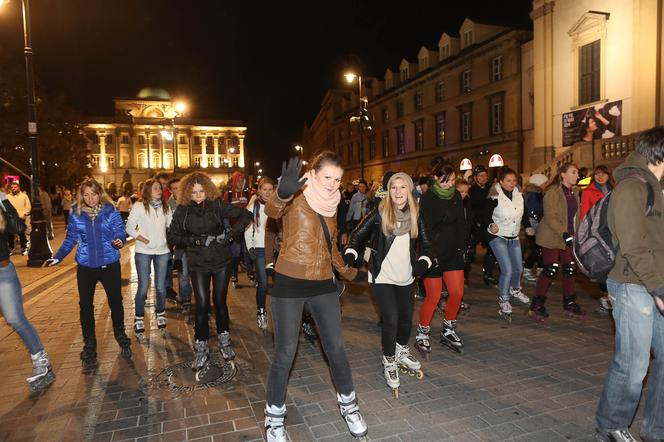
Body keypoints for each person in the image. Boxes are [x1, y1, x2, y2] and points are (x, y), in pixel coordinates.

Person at [263, 153, 367, 442]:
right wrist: (282, 194)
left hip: (323, 283)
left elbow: (330, 245)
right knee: (285, 353)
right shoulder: (296, 194)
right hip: (289, 283)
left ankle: (350, 406)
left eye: (337, 179)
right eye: (327, 178)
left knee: (336, 349)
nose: (333, 185)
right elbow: (272, 212)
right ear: (314, 174)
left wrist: (349, 273)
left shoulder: (332, 205)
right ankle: (274, 419)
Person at [595, 127, 664, 442]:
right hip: (632, 285)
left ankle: (656, 427)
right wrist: (657, 289)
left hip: (656, 282)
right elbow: (634, 246)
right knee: (633, 364)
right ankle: (610, 425)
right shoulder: (631, 189)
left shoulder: (658, 187)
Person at [344, 172, 433, 397]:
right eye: (394, 188)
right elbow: (356, 235)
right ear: (388, 191)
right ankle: (389, 360)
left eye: (402, 188)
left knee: (405, 319)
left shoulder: (416, 214)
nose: (398, 192)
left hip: (406, 276)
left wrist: (424, 261)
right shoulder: (380, 213)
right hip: (382, 275)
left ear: (409, 190)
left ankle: (402, 350)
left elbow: (427, 244)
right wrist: (352, 252)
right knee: (391, 320)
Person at [167, 172, 252, 374]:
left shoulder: (217, 205)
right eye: (194, 191)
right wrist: (195, 241)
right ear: (187, 192)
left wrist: (231, 235)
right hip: (197, 262)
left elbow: (245, 215)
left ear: (208, 189)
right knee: (202, 305)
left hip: (221, 260)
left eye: (201, 191)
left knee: (220, 301)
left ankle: (224, 340)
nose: (198, 195)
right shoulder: (182, 211)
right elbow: (172, 236)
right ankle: (201, 347)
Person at [45, 179, 131, 364]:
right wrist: (58, 256)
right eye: (86, 195)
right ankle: (89, 344)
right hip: (86, 266)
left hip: (109, 264)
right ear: (81, 196)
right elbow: (70, 240)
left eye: (93, 194)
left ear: (100, 194)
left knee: (115, 301)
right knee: (85, 306)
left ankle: (120, 334)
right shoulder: (76, 214)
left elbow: (120, 233)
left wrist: (119, 241)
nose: (90, 198)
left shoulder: (111, 211)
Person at [0, 192, 55, 392]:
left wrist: (2, 201)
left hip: (2, 274)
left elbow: (18, 228)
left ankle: (41, 361)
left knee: (15, 318)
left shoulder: (1, 203)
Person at [416, 159, 467, 356]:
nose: (450, 184)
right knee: (434, 296)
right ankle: (423, 332)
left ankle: (448, 328)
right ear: (436, 178)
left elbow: (462, 223)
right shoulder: (428, 198)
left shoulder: (456, 195)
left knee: (456, 292)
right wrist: (428, 254)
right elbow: (424, 228)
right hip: (433, 253)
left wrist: (463, 247)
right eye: (446, 181)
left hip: (453, 252)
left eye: (453, 180)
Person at [530, 163, 583, 321]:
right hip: (552, 236)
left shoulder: (574, 192)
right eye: (573, 172)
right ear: (563, 174)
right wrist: (564, 233)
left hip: (569, 236)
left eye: (577, 173)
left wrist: (578, 233)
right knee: (551, 269)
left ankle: (569, 302)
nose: (576, 175)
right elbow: (551, 217)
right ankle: (537, 304)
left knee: (570, 269)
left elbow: (576, 216)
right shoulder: (553, 192)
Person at [481, 167, 531, 322]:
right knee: (507, 269)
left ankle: (515, 290)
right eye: (508, 181)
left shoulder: (519, 194)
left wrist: (528, 225)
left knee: (518, 268)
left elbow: (525, 212)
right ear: (501, 181)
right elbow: (484, 215)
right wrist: (491, 225)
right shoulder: (494, 195)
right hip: (498, 236)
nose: (512, 183)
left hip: (513, 235)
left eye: (514, 180)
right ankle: (504, 299)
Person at [126, 179, 173, 340]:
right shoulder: (139, 206)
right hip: (143, 251)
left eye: (160, 188)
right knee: (143, 286)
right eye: (155, 188)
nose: (159, 190)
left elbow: (171, 225)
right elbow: (129, 227)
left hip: (162, 251)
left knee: (160, 287)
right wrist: (142, 238)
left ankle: (160, 312)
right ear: (147, 190)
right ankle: (139, 318)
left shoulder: (165, 206)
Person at [244, 177, 278, 333]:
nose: (267, 192)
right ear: (259, 191)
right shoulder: (254, 208)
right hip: (259, 249)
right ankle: (261, 311)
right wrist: (250, 247)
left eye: (270, 189)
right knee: (263, 283)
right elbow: (247, 229)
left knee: (280, 284)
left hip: (276, 250)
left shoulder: (279, 206)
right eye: (264, 189)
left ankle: (283, 314)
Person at [580, 165, 614, 314]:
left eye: (604, 174)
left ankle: (610, 296)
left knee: (614, 264)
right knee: (603, 264)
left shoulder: (616, 188)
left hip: (613, 230)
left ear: (608, 175)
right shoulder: (588, 191)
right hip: (597, 231)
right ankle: (605, 296)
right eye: (597, 174)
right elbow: (584, 213)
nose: (600, 177)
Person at [468, 166, 498, 287]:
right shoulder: (471, 190)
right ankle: (464, 275)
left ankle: (488, 274)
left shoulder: (492, 188)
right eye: (481, 176)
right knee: (469, 251)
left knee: (492, 249)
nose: (484, 178)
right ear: (475, 178)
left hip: (487, 223)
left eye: (485, 175)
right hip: (474, 224)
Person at [166, 178, 192, 310]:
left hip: (194, 243)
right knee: (183, 273)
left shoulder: (191, 201)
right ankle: (186, 298)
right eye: (174, 188)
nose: (178, 190)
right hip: (179, 245)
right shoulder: (168, 206)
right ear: (170, 190)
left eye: (179, 187)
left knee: (198, 272)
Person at [225, 171, 252, 284]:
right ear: (235, 182)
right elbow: (224, 211)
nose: (241, 184)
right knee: (235, 253)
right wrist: (228, 227)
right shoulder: (229, 194)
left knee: (247, 251)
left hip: (246, 228)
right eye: (239, 181)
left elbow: (251, 207)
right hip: (234, 228)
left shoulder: (247, 193)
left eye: (243, 181)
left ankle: (250, 273)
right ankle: (234, 273)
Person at [523, 174, 547, 282]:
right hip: (534, 223)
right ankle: (527, 269)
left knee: (539, 248)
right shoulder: (534, 195)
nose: (546, 185)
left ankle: (540, 270)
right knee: (536, 249)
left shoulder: (536, 194)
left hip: (536, 223)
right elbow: (533, 209)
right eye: (544, 183)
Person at [6, 181, 31, 255]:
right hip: (10, 217)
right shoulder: (7, 196)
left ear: (18, 188)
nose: (13, 189)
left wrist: (25, 213)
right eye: (12, 187)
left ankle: (24, 248)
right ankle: (11, 248)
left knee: (21, 233)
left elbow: (28, 206)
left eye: (15, 187)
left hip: (20, 217)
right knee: (10, 234)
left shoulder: (24, 196)